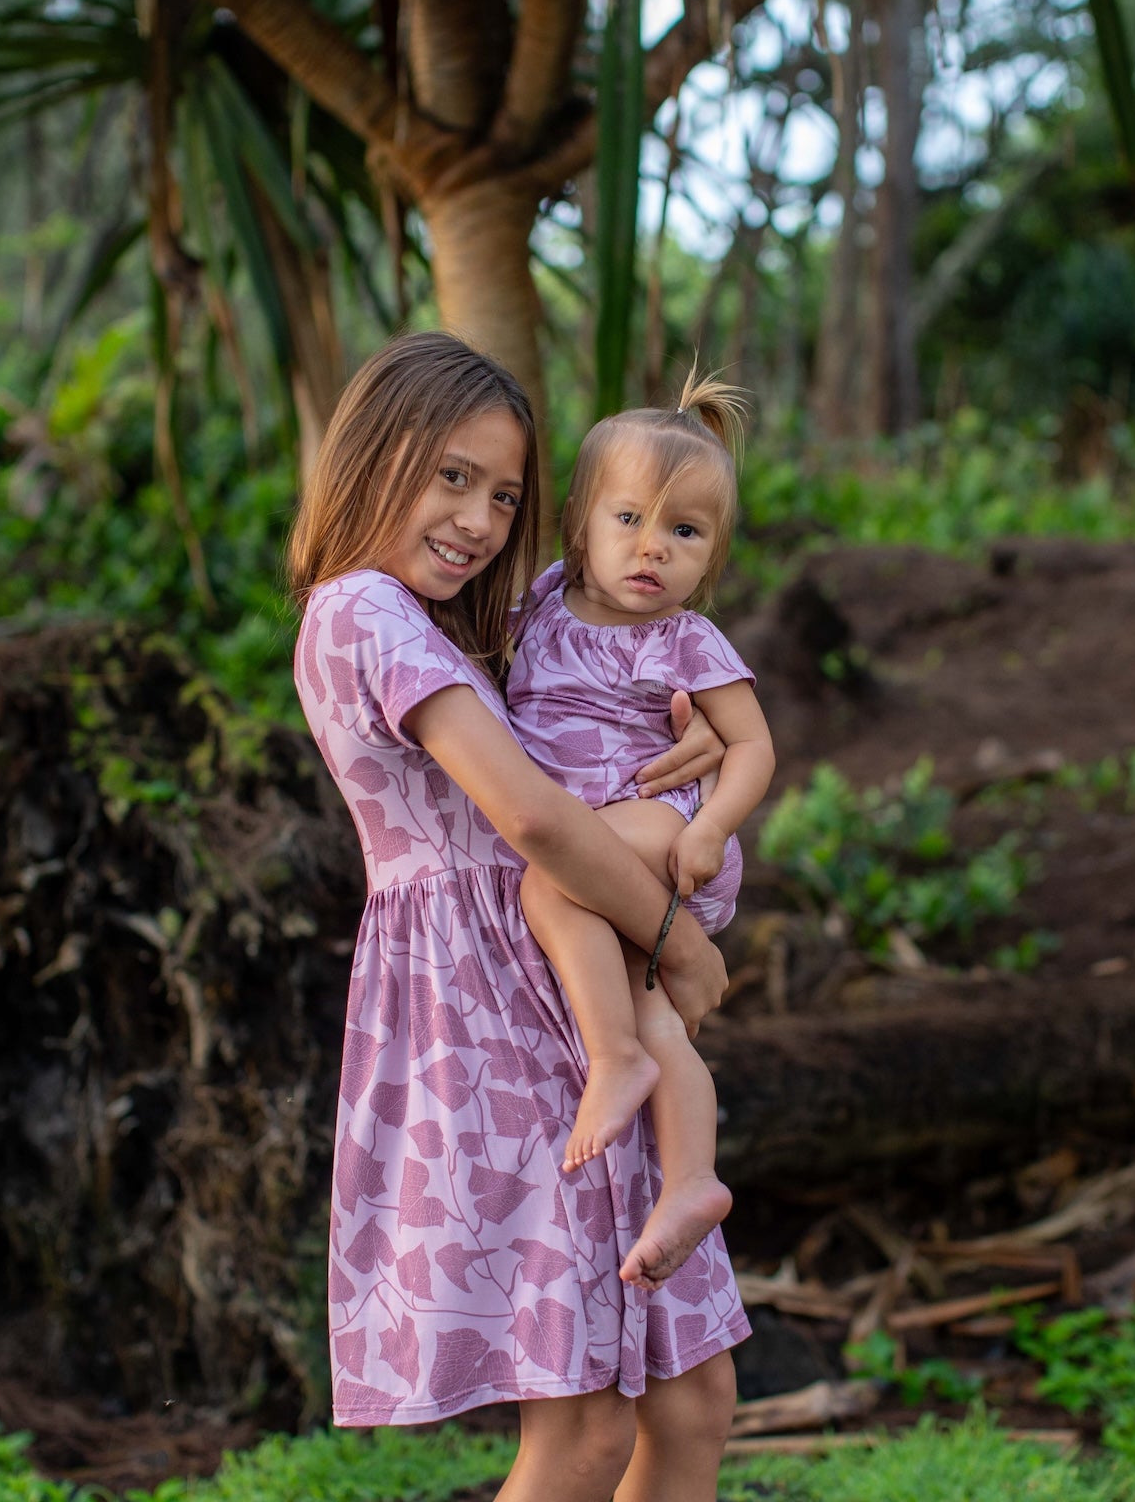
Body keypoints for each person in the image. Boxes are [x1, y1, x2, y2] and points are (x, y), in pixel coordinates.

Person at [289, 333, 749, 1501]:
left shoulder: (450, 625)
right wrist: (677, 939)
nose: (482, 520)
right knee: (586, 1432)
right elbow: (536, 821)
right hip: (491, 1023)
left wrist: (682, 726)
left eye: (503, 495)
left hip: (564, 985)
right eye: (451, 476)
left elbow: (593, 727)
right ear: (371, 453)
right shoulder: (362, 613)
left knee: (691, 1401)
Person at [510, 372, 774, 1294]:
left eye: (685, 533)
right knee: (655, 1006)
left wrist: (714, 831)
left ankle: (612, 1058)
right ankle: (694, 1180)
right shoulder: (541, 606)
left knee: (548, 879)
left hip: (663, 828)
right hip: (614, 841)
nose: (652, 549)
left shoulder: (686, 640)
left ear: (713, 555)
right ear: (580, 521)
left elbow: (752, 747)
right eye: (629, 520)